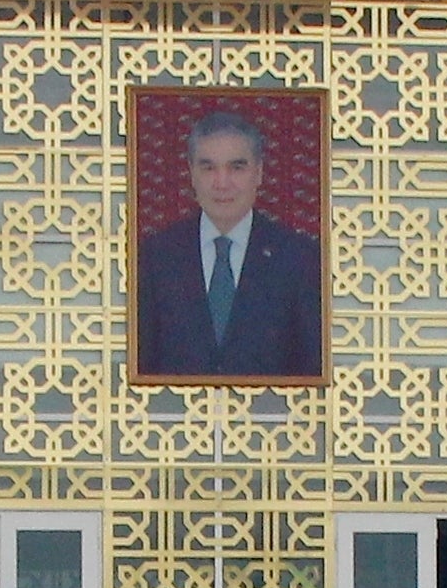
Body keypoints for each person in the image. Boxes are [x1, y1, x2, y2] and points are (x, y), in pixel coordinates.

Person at [130, 103, 327, 384]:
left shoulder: (298, 258)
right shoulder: (155, 256)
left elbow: (312, 369)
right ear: (191, 173)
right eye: (208, 168)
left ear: (258, 173)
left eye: (236, 168)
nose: (222, 183)